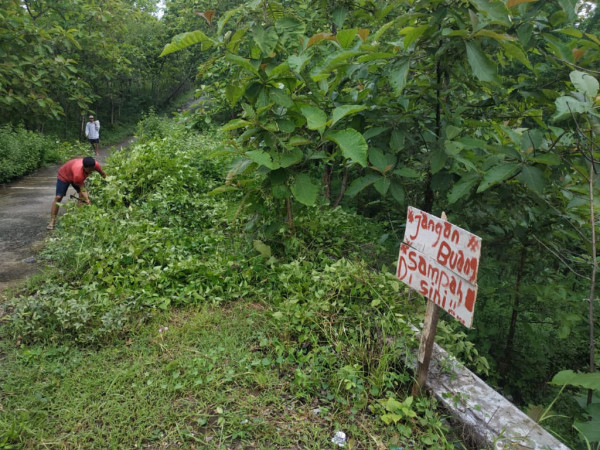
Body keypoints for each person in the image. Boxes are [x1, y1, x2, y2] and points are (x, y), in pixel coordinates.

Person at [47, 156, 107, 230]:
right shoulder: (78, 174)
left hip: (74, 174)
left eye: (93, 169)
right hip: (64, 176)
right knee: (58, 197)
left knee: (81, 196)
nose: (91, 171)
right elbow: (82, 188)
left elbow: (103, 174)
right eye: (89, 170)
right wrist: (87, 199)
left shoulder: (95, 165)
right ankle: (52, 221)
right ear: (84, 167)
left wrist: (111, 183)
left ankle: (79, 218)